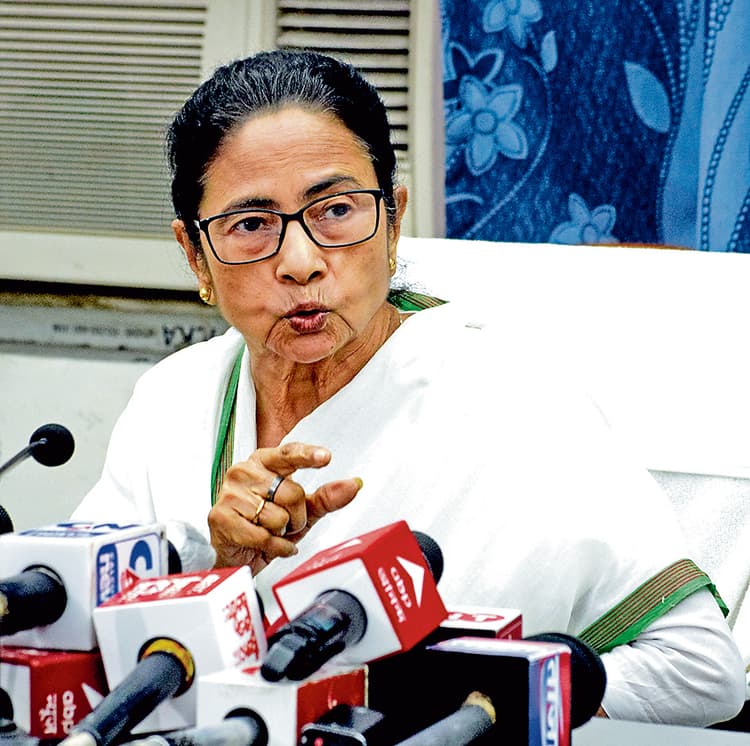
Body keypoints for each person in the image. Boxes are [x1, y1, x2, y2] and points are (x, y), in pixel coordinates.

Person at [71, 49, 745, 726]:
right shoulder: (173, 401)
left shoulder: (516, 401)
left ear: (393, 220)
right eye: (251, 225)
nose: (301, 262)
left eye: (336, 210)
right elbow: (72, 649)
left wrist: (465, 703)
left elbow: (698, 672)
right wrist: (218, 569)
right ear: (195, 255)